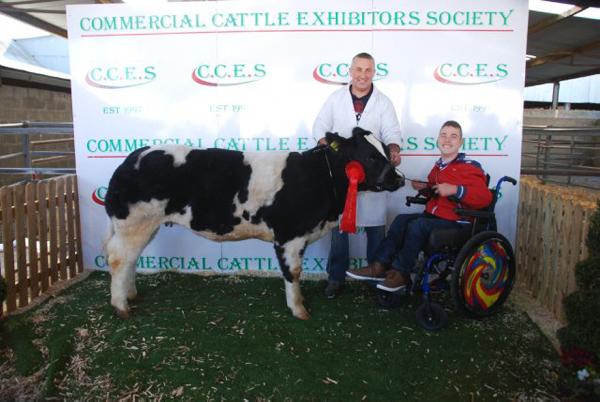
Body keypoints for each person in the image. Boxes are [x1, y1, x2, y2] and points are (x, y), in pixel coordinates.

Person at [346, 120, 492, 291]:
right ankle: (378, 266)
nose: (447, 140)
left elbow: (485, 197)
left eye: (453, 136)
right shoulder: (438, 167)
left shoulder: (469, 167)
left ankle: (401, 273)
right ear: (438, 140)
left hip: (458, 222)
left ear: (460, 142)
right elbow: (436, 193)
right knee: (401, 219)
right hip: (435, 218)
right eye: (443, 135)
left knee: (418, 225)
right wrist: (424, 188)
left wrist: (455, 189)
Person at [313, 52, 402, 299]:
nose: (363, 75)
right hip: (343, 175)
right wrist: (327, 146)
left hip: (373, 176)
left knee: (376, 229)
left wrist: (394, 148)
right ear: (351, 71)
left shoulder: (383, 102)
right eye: (359, 69)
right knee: (339, 228)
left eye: (368, 70)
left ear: (374, 73)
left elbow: (392, 131)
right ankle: (336, 277)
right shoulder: (335, 98)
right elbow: (320, 126)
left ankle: (375, 276)